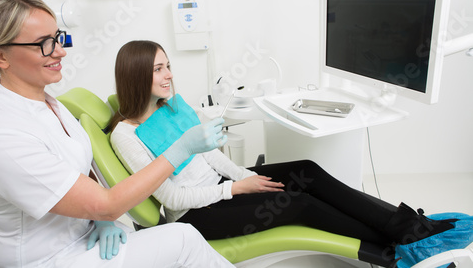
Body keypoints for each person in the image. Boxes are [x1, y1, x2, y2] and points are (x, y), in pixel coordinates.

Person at [109, 40, 466, 267]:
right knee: (300, 205)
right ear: (136, 76)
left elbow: (209, 157)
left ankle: (409, 227)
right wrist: (235, 190)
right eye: (158, 69)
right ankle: (397, 248)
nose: (169, 75)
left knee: (305, 171)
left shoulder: (169, 106)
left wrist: (244, 177)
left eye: (168, 65)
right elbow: (169, 196)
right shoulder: (126, 136)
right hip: (194, 214)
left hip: (221, 185)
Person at [0, 0, 234, 268]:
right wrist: (182, 148)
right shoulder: (0, 136)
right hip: (47, 259)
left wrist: (100, 221)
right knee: (184, 239)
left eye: (58, 38)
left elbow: (79, 170)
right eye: (44, 43)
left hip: (86, 237)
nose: (60, 51)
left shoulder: (50, 104)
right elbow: (107, 204)